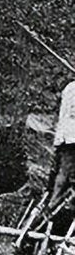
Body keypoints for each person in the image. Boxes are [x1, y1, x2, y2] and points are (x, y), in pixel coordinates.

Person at [47, 80, 75, 230]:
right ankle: (57, 218)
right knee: (65, 179)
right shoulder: (71, 88)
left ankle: (53, 211)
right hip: (71, 141)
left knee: (61, 178)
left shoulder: (70, 87)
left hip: (65, 140)